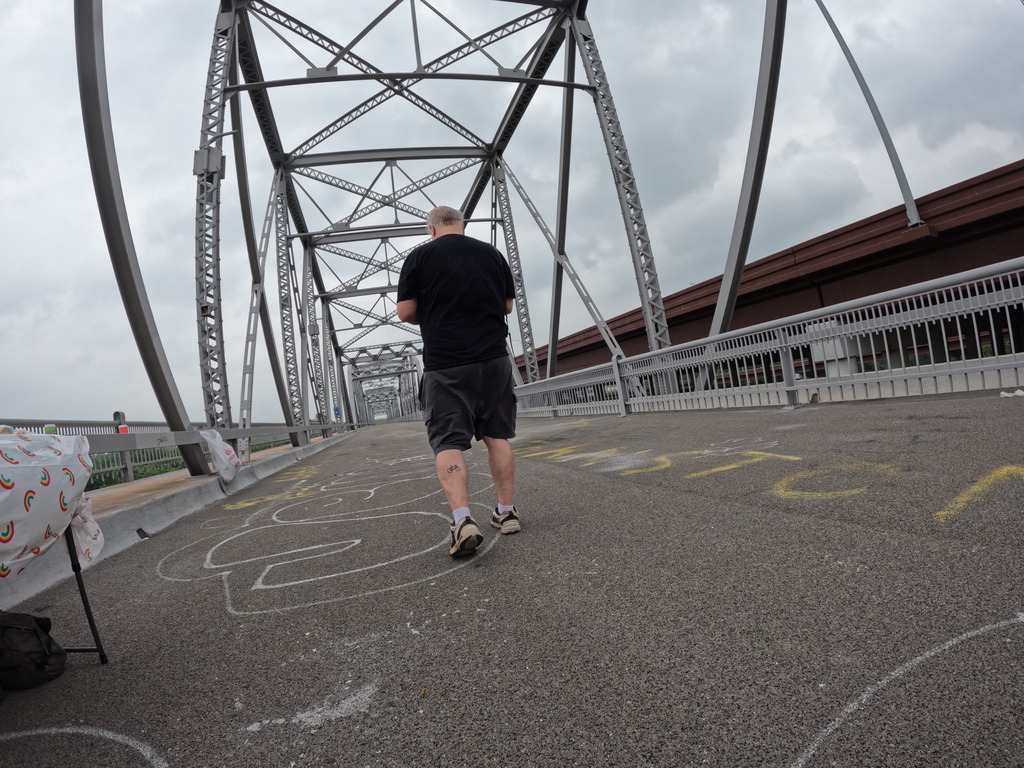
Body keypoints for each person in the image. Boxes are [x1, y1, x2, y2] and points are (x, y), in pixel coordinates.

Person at [397, 205, 521, 557]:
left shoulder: (419, 257)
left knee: (448, 442)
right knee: (496, 436)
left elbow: (405, 312)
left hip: (447, 363)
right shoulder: (491, 254)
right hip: (494, 359)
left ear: (432, 229)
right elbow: (507, 306)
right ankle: (507, 511)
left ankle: (463, 520)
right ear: (461, 225)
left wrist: (435, 310)